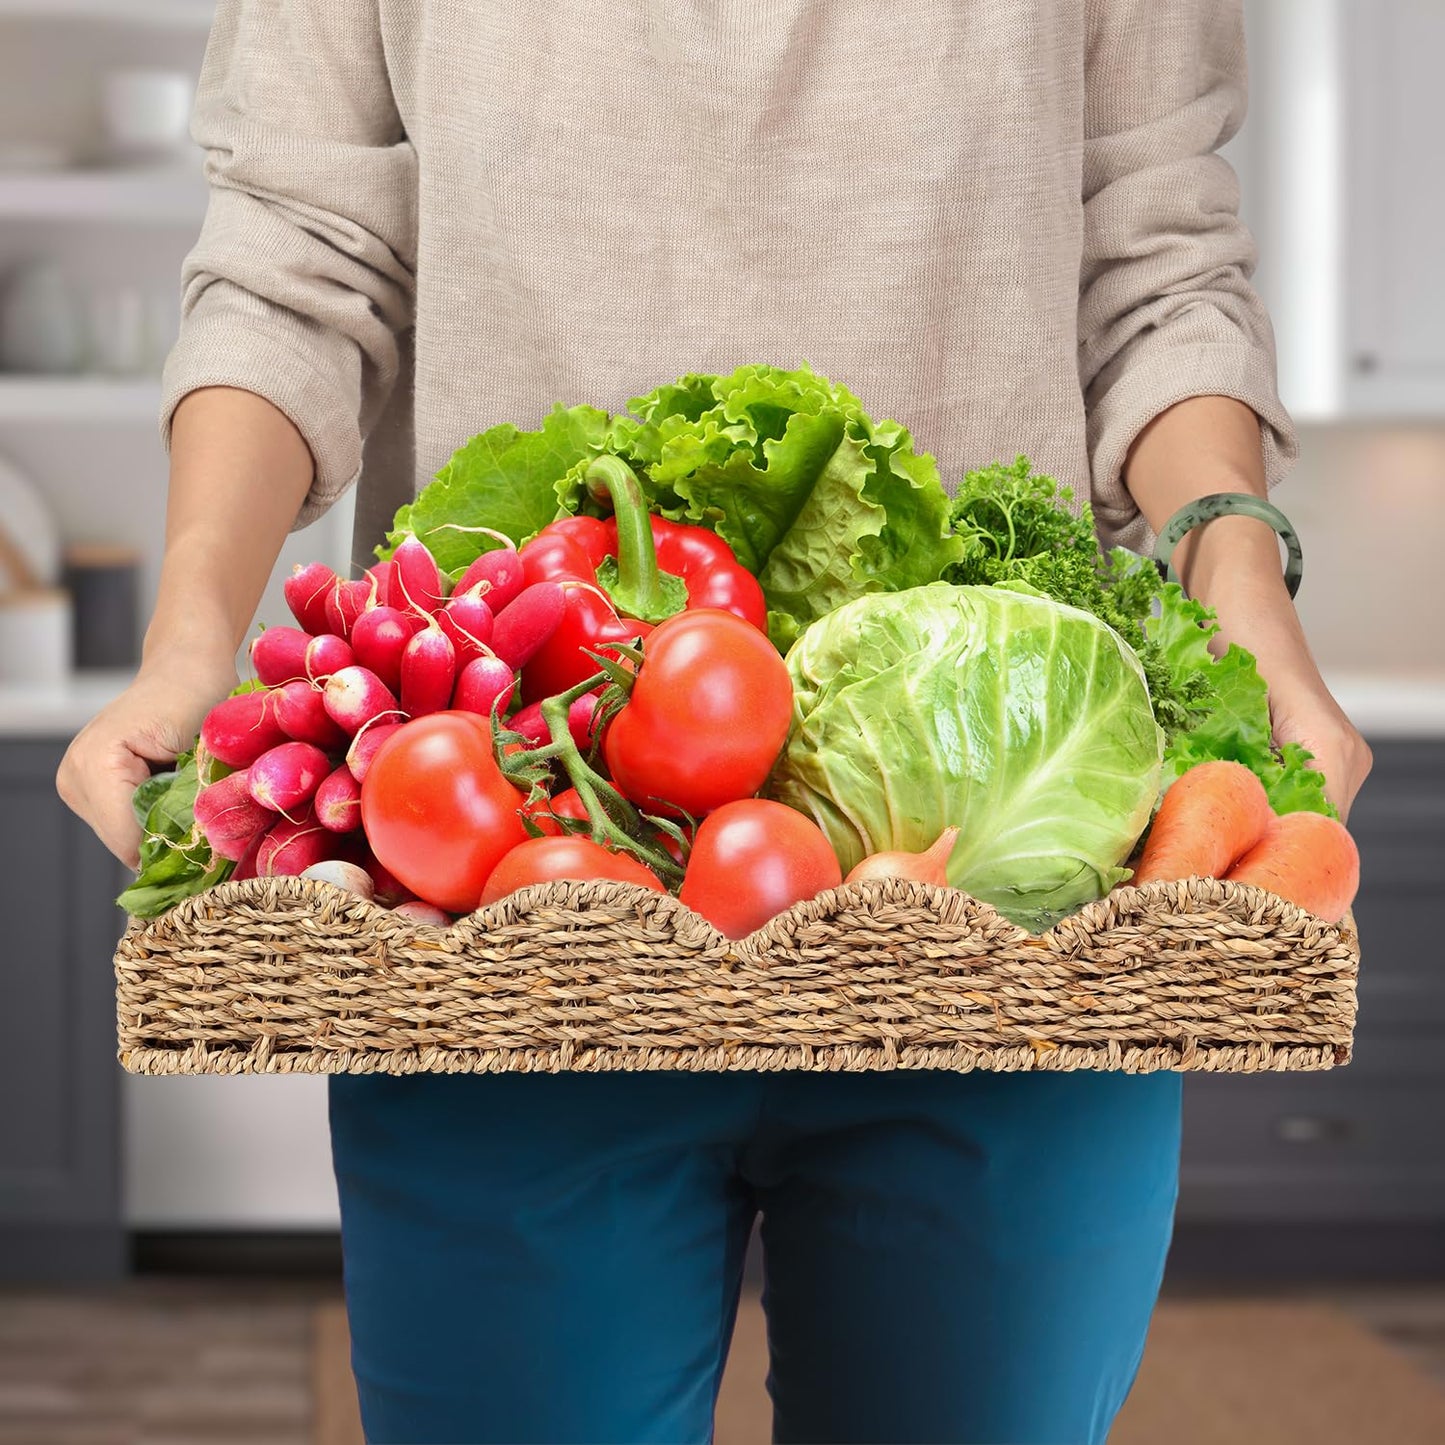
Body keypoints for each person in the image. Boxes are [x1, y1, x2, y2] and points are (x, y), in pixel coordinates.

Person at [58, 3, 1371, 1441]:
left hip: (1000, 909)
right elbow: (294, 257)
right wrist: (191, 640)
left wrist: (1244, 591)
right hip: (516, 877)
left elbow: (1157, 260)